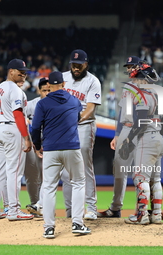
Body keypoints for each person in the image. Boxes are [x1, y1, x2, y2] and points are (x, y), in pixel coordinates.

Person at [31, 71, 91, 239]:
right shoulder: (74, 100)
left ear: (49, 85)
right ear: (64, 84)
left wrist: (37, 145)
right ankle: (78, 223)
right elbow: (77, 116)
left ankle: (48, 228)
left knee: (49, 187)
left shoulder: (43, 103)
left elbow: (35, 128)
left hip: (50, 149)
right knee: (78, 183)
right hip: (72, 147)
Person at [121, 63, 163, 225]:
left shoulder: (142, 95)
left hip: (146, 138)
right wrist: (157, 135)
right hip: (159, 139)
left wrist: (129, 138)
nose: (134, 81)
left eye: (136, 78)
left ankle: (141, 215)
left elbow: (140, 122)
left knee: (140, 178)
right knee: (156, 179)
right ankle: (156, 214)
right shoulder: (158, 94)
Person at [0, 58, 34, 221]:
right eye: (20, 72)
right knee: (14, 172)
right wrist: (26, 138)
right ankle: (13, 211)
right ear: (11, 71)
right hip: (12, 130)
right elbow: (18, 114)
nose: (23, 75)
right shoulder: (14, 89)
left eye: (25, 73)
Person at [97, 56, 141, 218]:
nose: (129, 69)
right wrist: (117, 134)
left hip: (140, 132)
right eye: (128, 67)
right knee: (119, 171)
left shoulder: (148, 86)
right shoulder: (127, 87)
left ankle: (142, 209)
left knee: (140, 173)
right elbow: (121, 113)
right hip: (124, 132)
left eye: (132, 66)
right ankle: (116, 208)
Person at [61, 49, 102, 220]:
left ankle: (91, 207)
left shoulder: (93, 81)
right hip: (64, 127)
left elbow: (90, 109)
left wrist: (74, 119)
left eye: (79, 65)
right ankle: (70, 210)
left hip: (84, 125)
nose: (76, 68)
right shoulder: (63, 78)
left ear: (86, 64)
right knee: (65, 171)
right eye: (73, 64)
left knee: (85, 166)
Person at [25, 77, 51, 217]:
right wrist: (26, 119)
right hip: (34, 143)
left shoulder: (55, 104)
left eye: (49, 90)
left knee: (47, 177)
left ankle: (41, 205)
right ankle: (35, 204)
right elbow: (18, 115)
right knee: (32, 176)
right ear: (38, 90)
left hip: (49, 144)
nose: (46, 93)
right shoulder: (31, 105)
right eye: (44, 90)